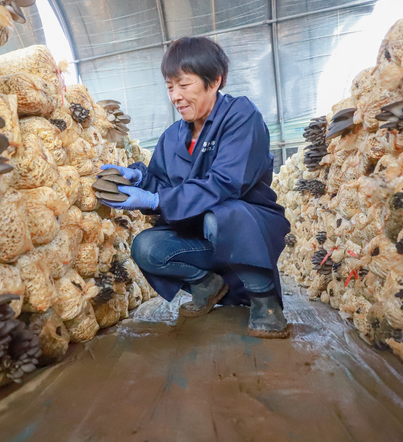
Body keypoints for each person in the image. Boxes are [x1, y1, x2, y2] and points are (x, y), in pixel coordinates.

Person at [99, 36, 292, 339]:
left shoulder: (241, 116)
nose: (175, 96)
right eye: (169, 87)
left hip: (245, 228)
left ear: (214, 81)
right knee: (146, 247)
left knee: (222, 214)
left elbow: (226, 183)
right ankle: (206, 285)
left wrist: (154, 198)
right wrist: (139, 179)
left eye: (184, 85)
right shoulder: (172, 136)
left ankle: (264, 300)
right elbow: (163, 183)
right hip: (197, 233)